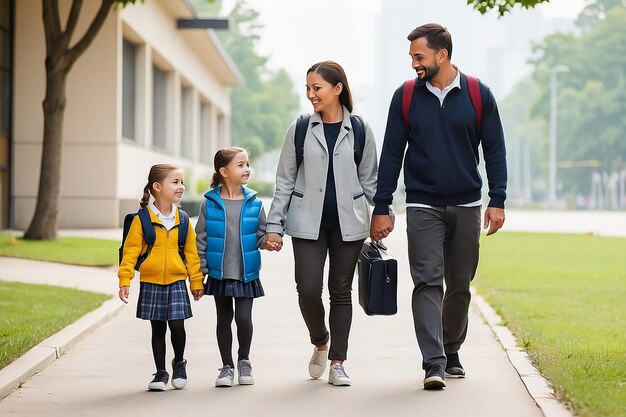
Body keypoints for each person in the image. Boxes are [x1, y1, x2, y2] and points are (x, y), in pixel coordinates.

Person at [370, 23, 507, 390]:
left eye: (419, 56)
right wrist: (382, 205)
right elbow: (392, 154)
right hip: (422, 204)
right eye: (412, 57)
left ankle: (451, 348)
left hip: (467, 204)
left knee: (460, 284)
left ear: (441, 55)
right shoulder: (405, 97)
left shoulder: (479, 94)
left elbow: (494, 149)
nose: (414, 63)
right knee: (427, 282)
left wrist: (498, 199)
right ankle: (433, 361)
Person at [265, 61, 378, 386]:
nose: (310, 94)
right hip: (306, 224)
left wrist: (383, 211)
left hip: (350, 225)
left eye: (317, 88)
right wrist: (275, 224)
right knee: (308, 289)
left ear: (337, 88)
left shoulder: (359, 129)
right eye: (308, 88)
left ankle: (338, 361)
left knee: (340, 291)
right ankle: (320, 339)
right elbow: (284, 180)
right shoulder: (300, 127)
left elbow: (370, 178)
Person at [118, 163, 204, 391]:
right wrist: (125, 281)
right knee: (158, 329)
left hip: (176, 281)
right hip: (151, 281)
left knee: (177, 326)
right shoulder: (142, 220)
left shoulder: (183, 219)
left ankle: (179, 363)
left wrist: (196, 282)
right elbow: (129, 253)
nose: (181, 187)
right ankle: (160, 373)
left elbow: (192, 256)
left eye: (182, 182)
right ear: (157, 186)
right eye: (175, 182)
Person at [195, 147, 268, 388]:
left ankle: (244, 361)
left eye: (247, 164)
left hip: (246, 273)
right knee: (223, 318)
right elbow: (201, 239)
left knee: (244, 318)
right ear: (224, 171)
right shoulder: (210, 204)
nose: (247, 169)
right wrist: (200, 272)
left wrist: (270, 240)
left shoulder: (255, 203)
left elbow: (260, 237)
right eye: (241, 165)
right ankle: (226, 366)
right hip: (220, 273)